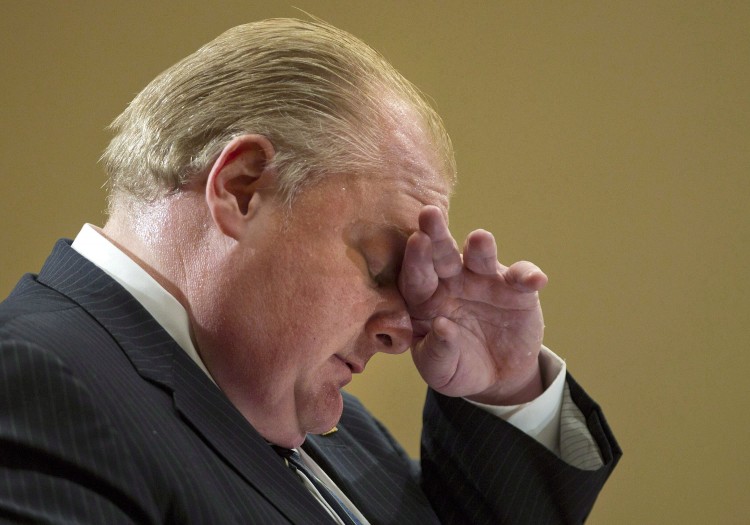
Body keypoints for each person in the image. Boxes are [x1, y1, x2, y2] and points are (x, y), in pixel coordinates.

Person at [0, 18, 620, 524]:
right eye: (383, 268)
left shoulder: (332, 426)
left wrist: (504, 393)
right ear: (243, 189)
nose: (408, 329)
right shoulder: (31, 383)